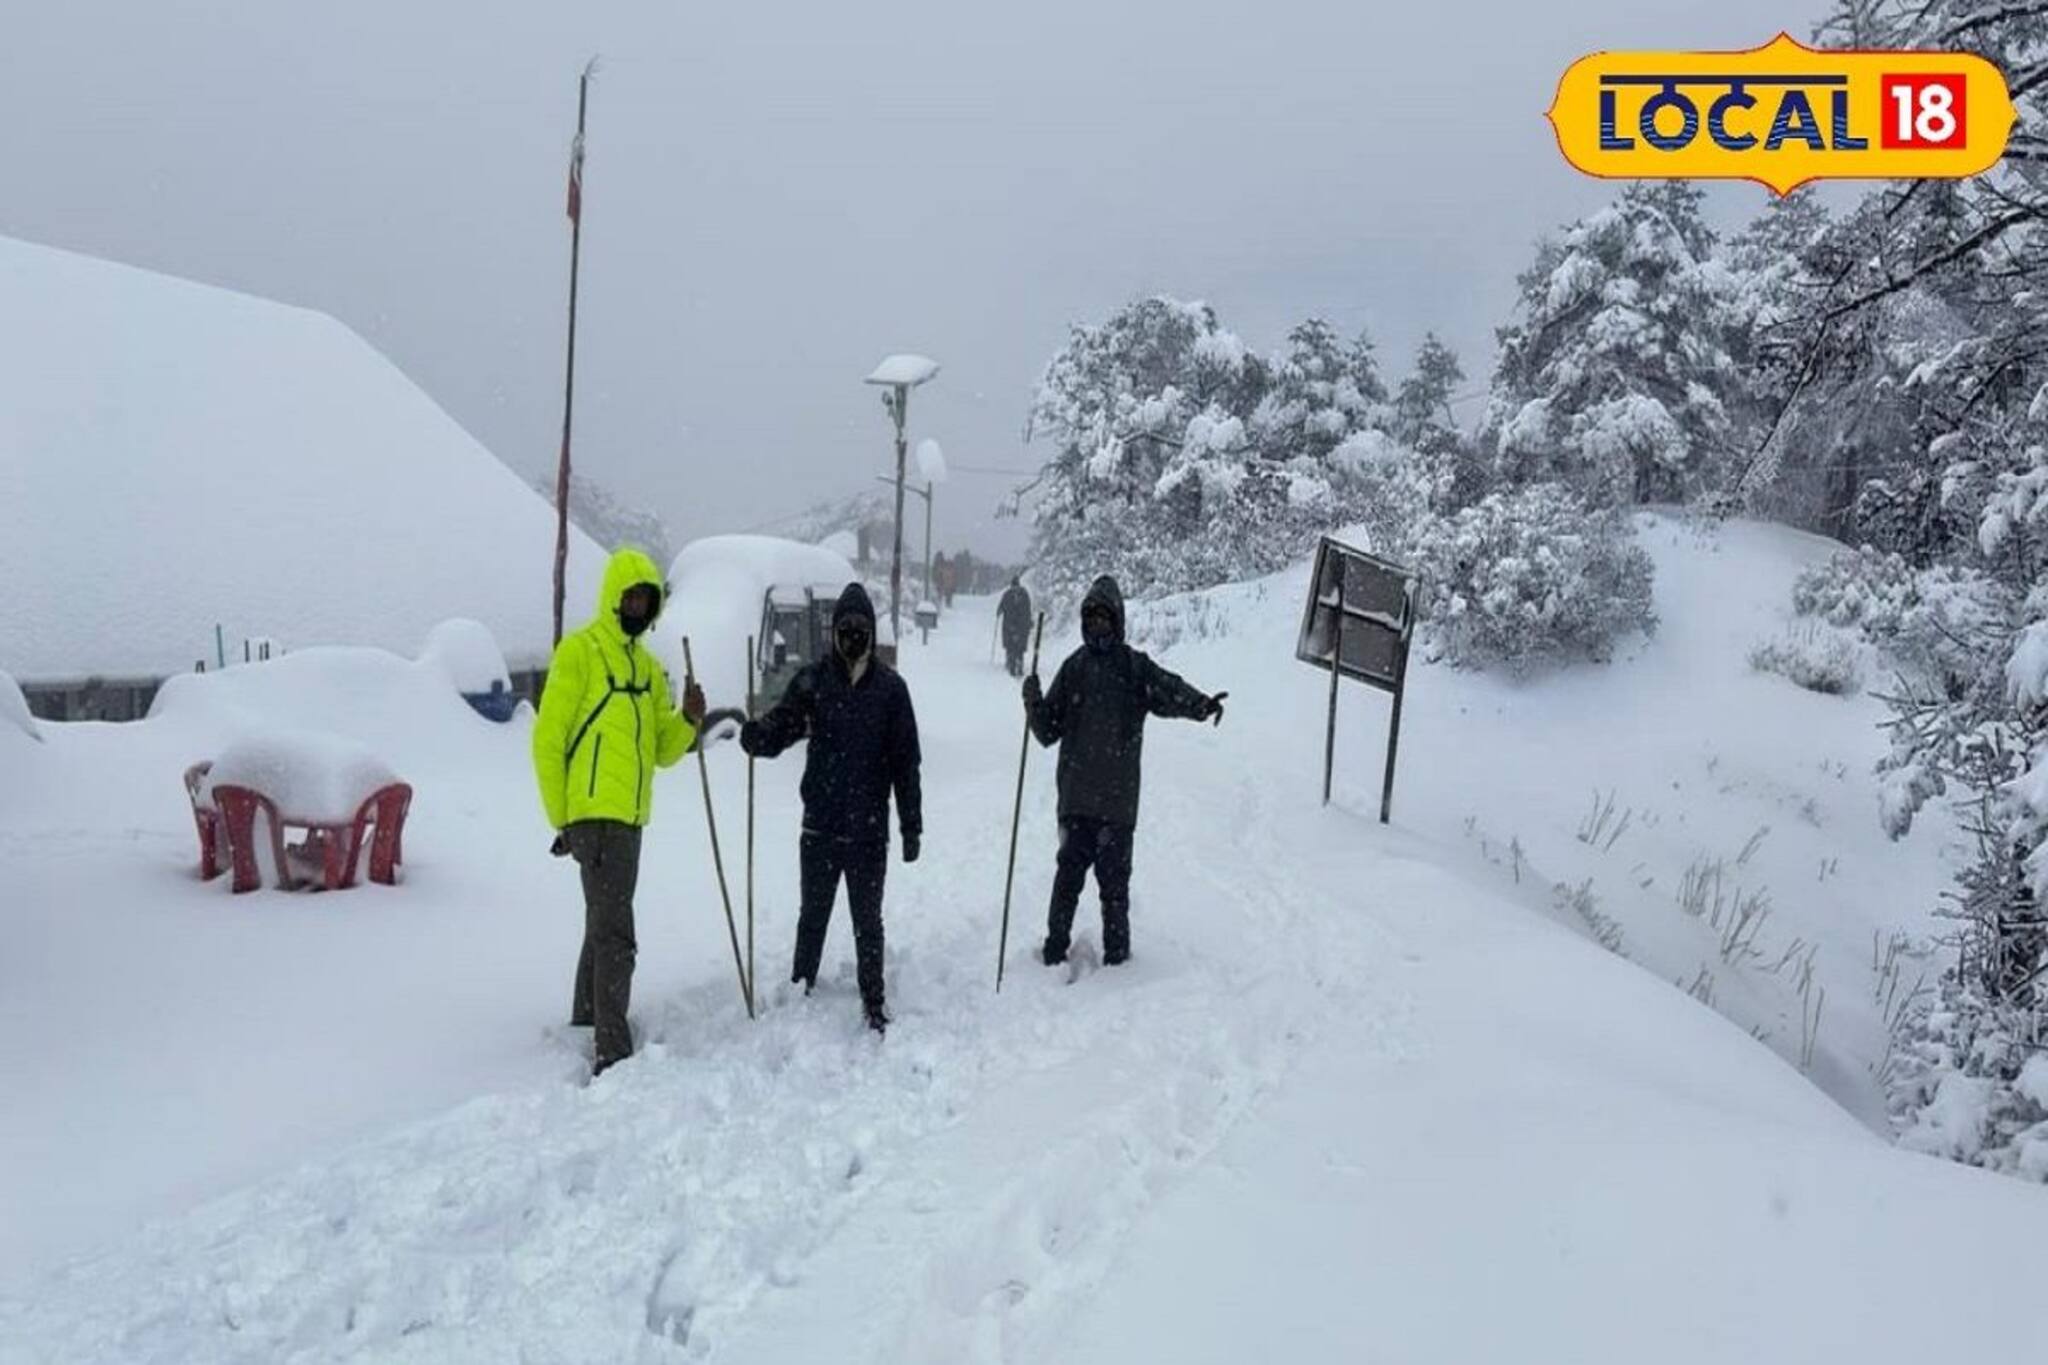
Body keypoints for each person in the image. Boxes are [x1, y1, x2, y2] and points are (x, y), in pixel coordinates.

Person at [533, 547, 706, 1076]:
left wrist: (690, 720)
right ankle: (611, 1048)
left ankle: (587, 1016)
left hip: (630, 818)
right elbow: (548, 739)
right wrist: (561, 818)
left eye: (645, 599)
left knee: (603, 920)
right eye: (630, 597)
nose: (636, 606)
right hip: (592, 816)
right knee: (617, 934)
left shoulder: (649, 670)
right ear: (613, 596)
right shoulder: (580, 653)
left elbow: (661, 749)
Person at [740, 583, 922, 1033]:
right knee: (813, 915)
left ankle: (873, 999)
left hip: (869, 830)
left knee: (868, 921)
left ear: (871, 632)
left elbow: (906, 762)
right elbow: (783, 726)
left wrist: (911, 825)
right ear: (834, 632)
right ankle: (802, 986)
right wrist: (757, 737)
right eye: (845, 629)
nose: (853, 636)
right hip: (820, 824)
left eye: (860, 629)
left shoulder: (891, 690)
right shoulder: (813, 681)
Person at [1023, 575, 1226, 967]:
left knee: (1110, 890)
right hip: (1085, 802)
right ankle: (1055, 953)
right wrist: (1032, 700)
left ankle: (1116, 962)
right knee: (1071, 883)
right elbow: (1047, 731)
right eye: (1092, 618)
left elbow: (1169, 690)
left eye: (1105, 618)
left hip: (1111, 807)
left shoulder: (1134, 669)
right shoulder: (1075, 669)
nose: (1098, 625)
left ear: (1117, 621)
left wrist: (1200, 705)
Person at [998, 575, 1033, 677]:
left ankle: (1019, 664)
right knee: (1010, 645)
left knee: (1020, 646)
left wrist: (1028, 622)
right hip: (1009, 623)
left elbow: (1028, 609)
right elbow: (1002, 605)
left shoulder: (1024, 594)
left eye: (1016, 586)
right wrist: (999, 610)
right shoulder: (1007, 595)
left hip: (1022, 624)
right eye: (1013, 586)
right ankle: (1010, 662)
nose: (1015, 588)